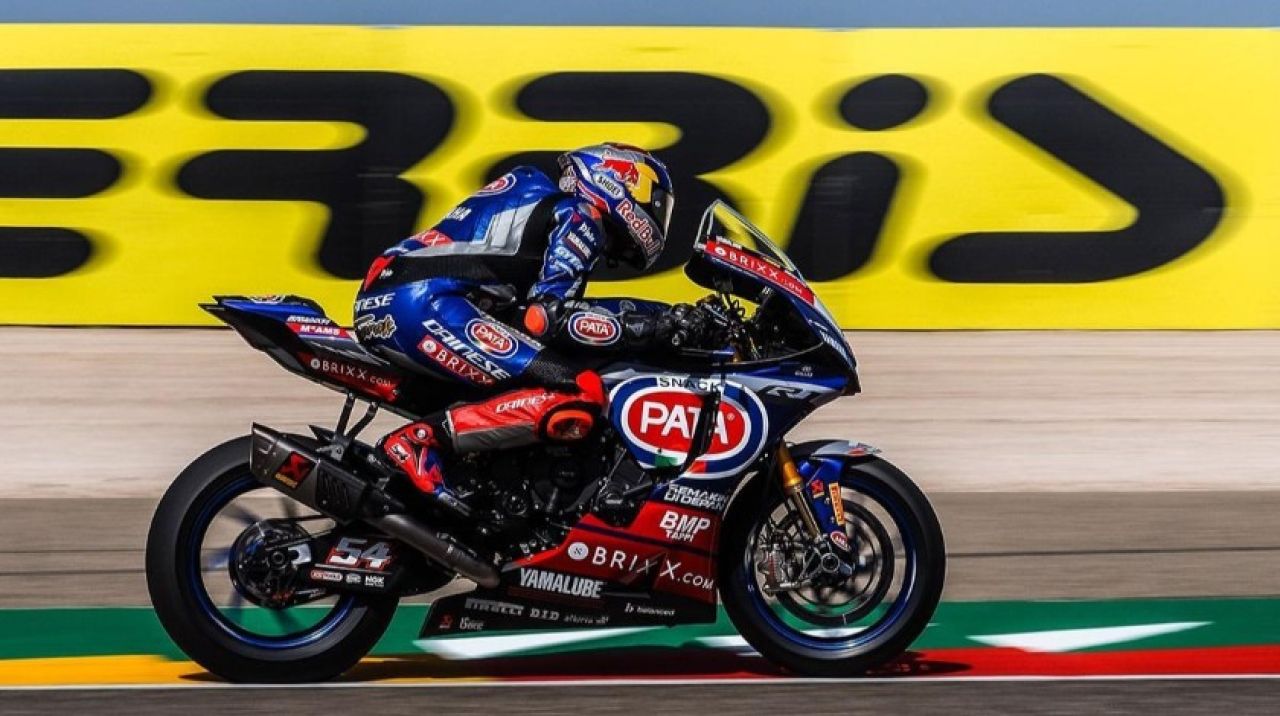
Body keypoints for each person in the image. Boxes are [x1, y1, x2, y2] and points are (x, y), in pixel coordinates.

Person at [352, 143, 717, 501]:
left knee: (540, 371)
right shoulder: (581, 216)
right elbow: (547, 318)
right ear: (620, 181)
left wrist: (660, 314)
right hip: (427, 304)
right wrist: (651, 329)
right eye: (655, 203)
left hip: (402, 297)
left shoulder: (542, 198)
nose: (656, 216)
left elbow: (544, 312)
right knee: (581, 389)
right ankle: (420, 441)